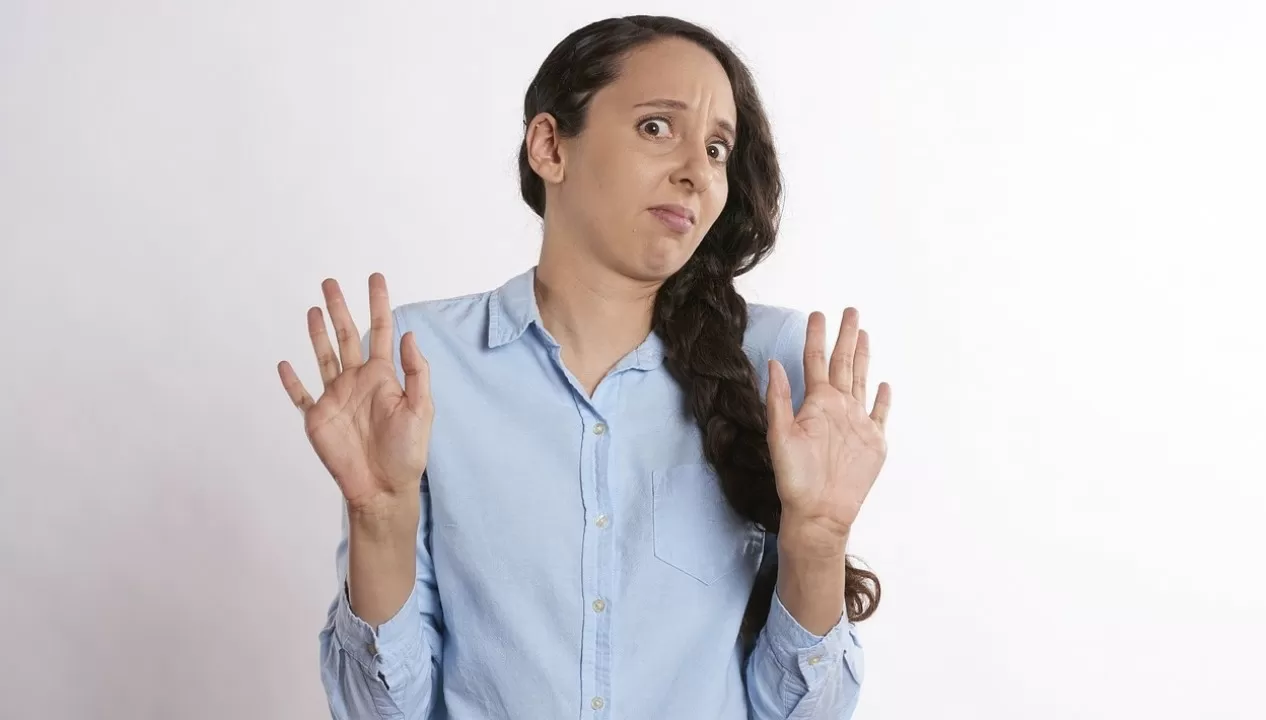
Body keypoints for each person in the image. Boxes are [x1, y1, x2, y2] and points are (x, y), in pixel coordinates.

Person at [277, 14, 891, 720]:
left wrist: (818, 541)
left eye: (718, 148)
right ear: (549, 146)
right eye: (656, 127)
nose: (697, 172)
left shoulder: (775, 370)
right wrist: (378, 518)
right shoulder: (419, 366)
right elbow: (379, 710)